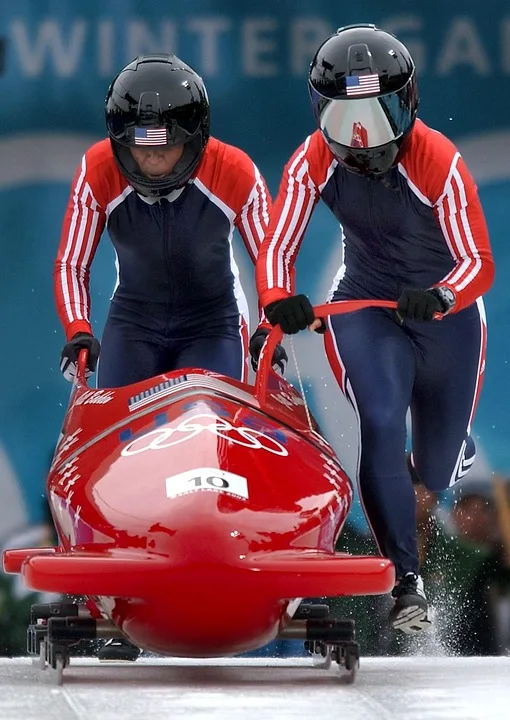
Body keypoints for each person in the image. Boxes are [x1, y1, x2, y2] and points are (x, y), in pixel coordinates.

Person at [254, 24, 494, 635]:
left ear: (408, 104)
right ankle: (404, 582)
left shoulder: (438, 160)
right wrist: (277, 301)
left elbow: (478, 262)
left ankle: (449, 448)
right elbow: (278, 245)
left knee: (434, 473)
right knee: (380, 420)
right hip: (365, 304)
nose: (362, 139)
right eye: (344, 117)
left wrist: (441, 295)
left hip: (445, 316)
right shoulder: (312, 159)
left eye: (379, 115)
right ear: (319, 113)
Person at [54, 53, 285, 661]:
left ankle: (228, 569)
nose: (151, 163)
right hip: (135, 321)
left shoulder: (233, 169)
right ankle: (106, 603)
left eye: (164, 150)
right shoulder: (98, 169)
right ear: (119, 144)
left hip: (211, 323)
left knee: (212, 444)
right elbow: (72, 261)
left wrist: (268, 323)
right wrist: (80, 328)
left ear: (196, 143)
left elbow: (270, 254)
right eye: (140, 151)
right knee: (112, 451)